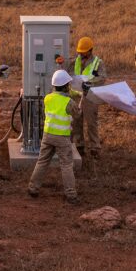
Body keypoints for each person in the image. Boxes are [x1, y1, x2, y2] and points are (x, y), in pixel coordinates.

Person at [27, 69, 81, 203]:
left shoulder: (48, 98)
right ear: (65, 86)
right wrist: (83, 96)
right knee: (67, 165)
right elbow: (78, 113)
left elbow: (59, 98)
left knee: (42, 161)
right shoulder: (68, 102)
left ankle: (33, 188)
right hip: (62, 137)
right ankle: (71, 195)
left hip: (47, 135)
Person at [70, 36, 108, 160]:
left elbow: (102, 78)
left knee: (91, 123)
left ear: (90, 50)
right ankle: (79, 145)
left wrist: (90, 83)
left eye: (83, 51)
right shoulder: (75, 61)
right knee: (76, 122)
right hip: (76, 96)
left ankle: (94, 148)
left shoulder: (98, 62)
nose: (80, 53)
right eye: (79, 51)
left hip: (90, 97)